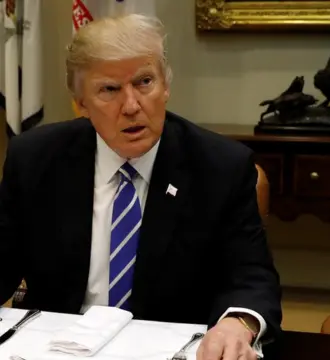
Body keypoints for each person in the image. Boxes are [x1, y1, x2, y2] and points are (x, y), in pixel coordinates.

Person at [0, 14, 282, 360]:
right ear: (81, 103)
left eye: (144, 82)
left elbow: (251, 277)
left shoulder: (220, 166)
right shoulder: (36, 159)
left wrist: (237, 324)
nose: (131, 106)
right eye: (109, 90)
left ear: (166, 86)